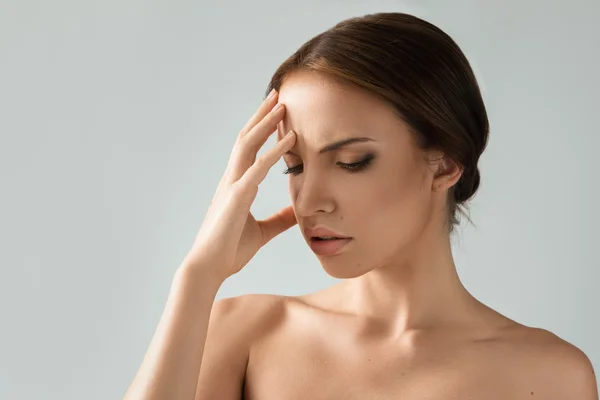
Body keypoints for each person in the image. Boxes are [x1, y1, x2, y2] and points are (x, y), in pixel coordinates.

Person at [123, 12, 598, 400]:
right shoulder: (243, 333)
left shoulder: (550, 377)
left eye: (351, 162)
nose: (308, 202)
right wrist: (198, 275)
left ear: (445, 164)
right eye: (294, 166)